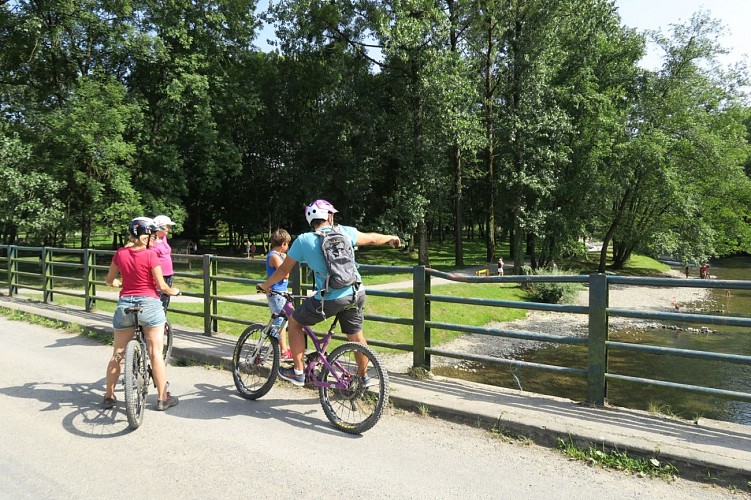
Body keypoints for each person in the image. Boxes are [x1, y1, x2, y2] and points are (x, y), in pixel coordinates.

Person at [258, 199, 400, 387]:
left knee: (294, 321)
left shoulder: (303, 241)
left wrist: (266, 285)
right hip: (356, 291)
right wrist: (390, 237)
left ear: (311, 219)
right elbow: (372, 238)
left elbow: (283, 271)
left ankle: (298, 372)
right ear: (329, 216)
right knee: (356, 335)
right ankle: (364, 377)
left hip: (331, 297)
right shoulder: (345, 231)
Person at [102, 218, 180, 411]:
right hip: (150, 306)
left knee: (118, 354)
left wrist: (119, 284)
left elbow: (109, 280)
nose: (154, 239)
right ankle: (162, 398)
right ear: (144, 237)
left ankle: (109, 396)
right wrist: (173, 291)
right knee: (155, 353)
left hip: (126, 306)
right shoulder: (151, 255)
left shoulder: (120, 254)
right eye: (152, 236)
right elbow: (161, 286)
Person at [264, 228, 292, 360]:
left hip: (281, 292)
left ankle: (275, 348)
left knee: (284, 320)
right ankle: (283, 351)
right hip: (276, 293)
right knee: (280, 322)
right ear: (283, 244)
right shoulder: (274, 256)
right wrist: (286, 261)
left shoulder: (278, 255)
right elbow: (285, 273)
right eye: (288, 244)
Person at [152, 214, 175, 310]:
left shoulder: (164, 238)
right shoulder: (150, 240)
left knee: (165, 299)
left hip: (169, 274)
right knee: (157, 299)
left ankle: (163, 320)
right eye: (167, 226)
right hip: (158, 274)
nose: (168, 229)